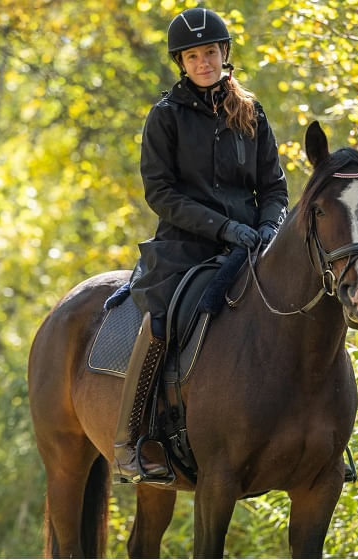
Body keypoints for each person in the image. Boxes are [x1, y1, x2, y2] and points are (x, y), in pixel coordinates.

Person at [113, 7, 289, 482]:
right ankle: (131, 439)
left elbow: (274, 187)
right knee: (159, 319)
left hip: (253, 246)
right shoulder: (164, 117)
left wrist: (271, 228)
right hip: (185, 248)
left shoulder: (251, 113)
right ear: (182, 63)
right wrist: (222, 228)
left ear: (224, 54)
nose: (203, 62)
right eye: (193, 56)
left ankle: (322, 439)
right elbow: (161, 194)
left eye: (209, 52)